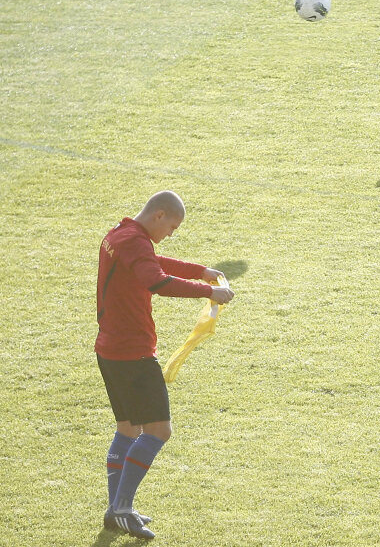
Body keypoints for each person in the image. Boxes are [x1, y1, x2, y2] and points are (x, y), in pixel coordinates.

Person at [95, 191, 234, 540]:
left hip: (110, 349)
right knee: (158, 431)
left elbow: (153, 261)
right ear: (158, 215)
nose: (171, 233)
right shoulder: (134, 241)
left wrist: (201, 271)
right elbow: (156, 281)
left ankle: (116, 512)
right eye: (171, 226)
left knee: (128, 429)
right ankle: (123, 508)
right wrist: (208, 292)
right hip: (134, 354)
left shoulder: (122, 233)